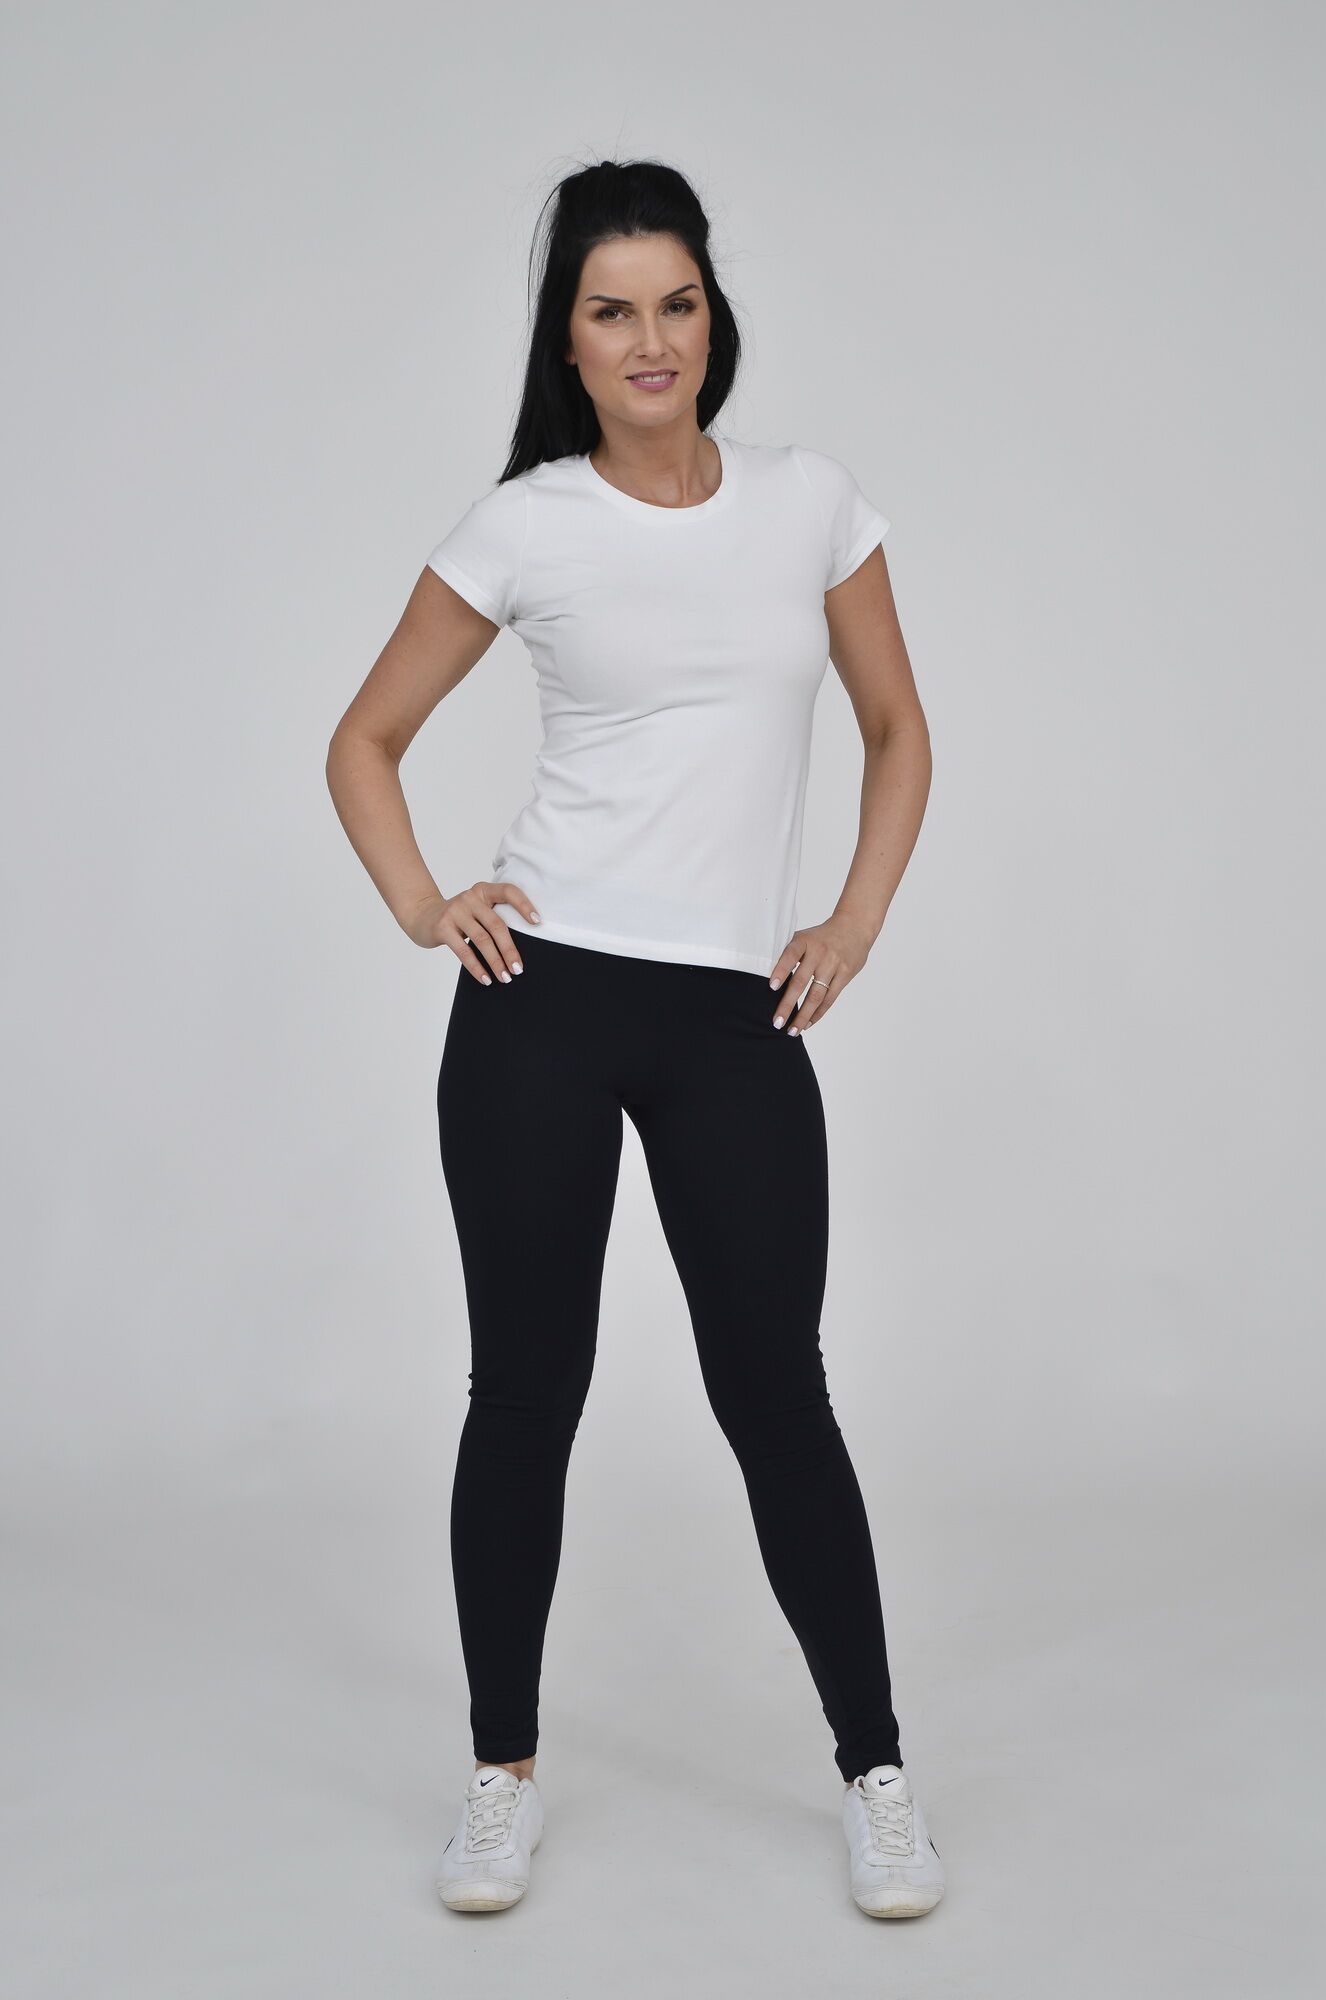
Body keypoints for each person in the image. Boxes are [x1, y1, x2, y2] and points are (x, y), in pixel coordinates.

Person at [325, 156, 943, 1921]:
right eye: (613, 311)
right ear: (571, 342)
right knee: (526, 1393)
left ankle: (878, 1773)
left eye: (676, 303)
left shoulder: (812, 504)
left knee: (777, 1394)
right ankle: (500, 1775)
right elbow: (362, 741)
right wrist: (428, 903)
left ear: (711, 318)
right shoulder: (525, 524)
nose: (651, 338)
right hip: (543, 1002)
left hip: (731, 1011)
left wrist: (850, 924)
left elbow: (898, 729)